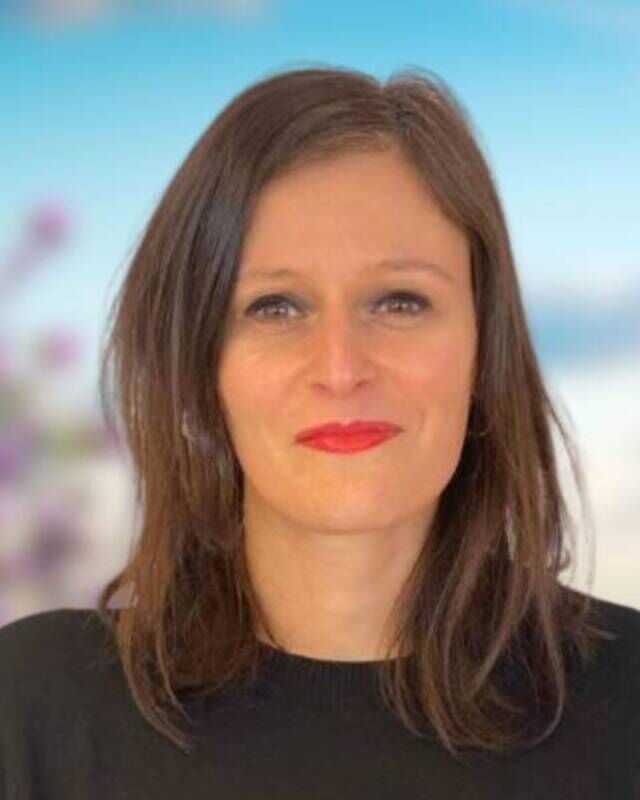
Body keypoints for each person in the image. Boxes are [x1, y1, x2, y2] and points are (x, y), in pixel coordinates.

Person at [1, 64, 639, 799]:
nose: (341, 368)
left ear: (483, 346)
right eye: (275, 307)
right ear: (197, 365)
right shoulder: (32, 711)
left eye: (399, 301)